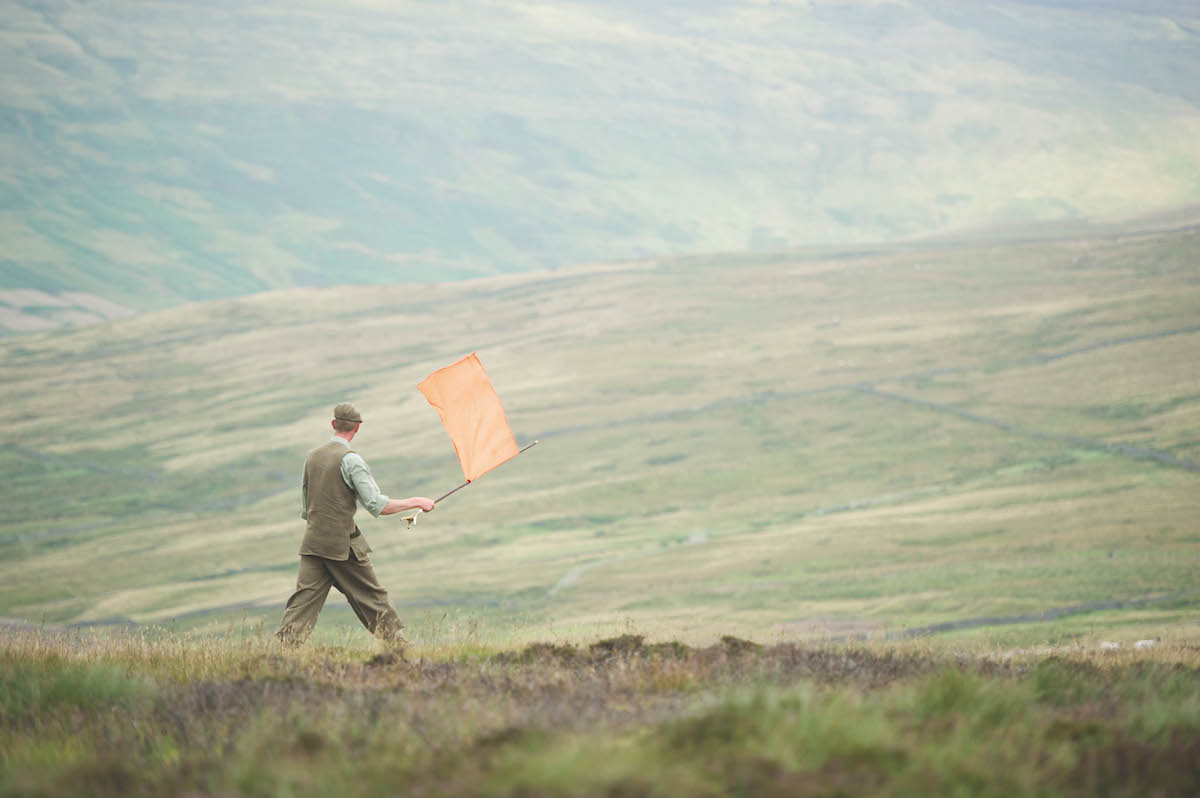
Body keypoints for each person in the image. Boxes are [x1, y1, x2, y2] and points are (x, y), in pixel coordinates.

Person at [275, 402, 435, 646]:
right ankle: (400, 649)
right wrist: (416, 501)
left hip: (313, 543)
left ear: (333, 424)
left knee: (303, 601)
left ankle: (284, 652)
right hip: (342, 547)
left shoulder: (312, 457)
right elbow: (378, 506)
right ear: (357, 428)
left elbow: (306, 509)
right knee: (372, 596)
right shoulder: (351, 460)